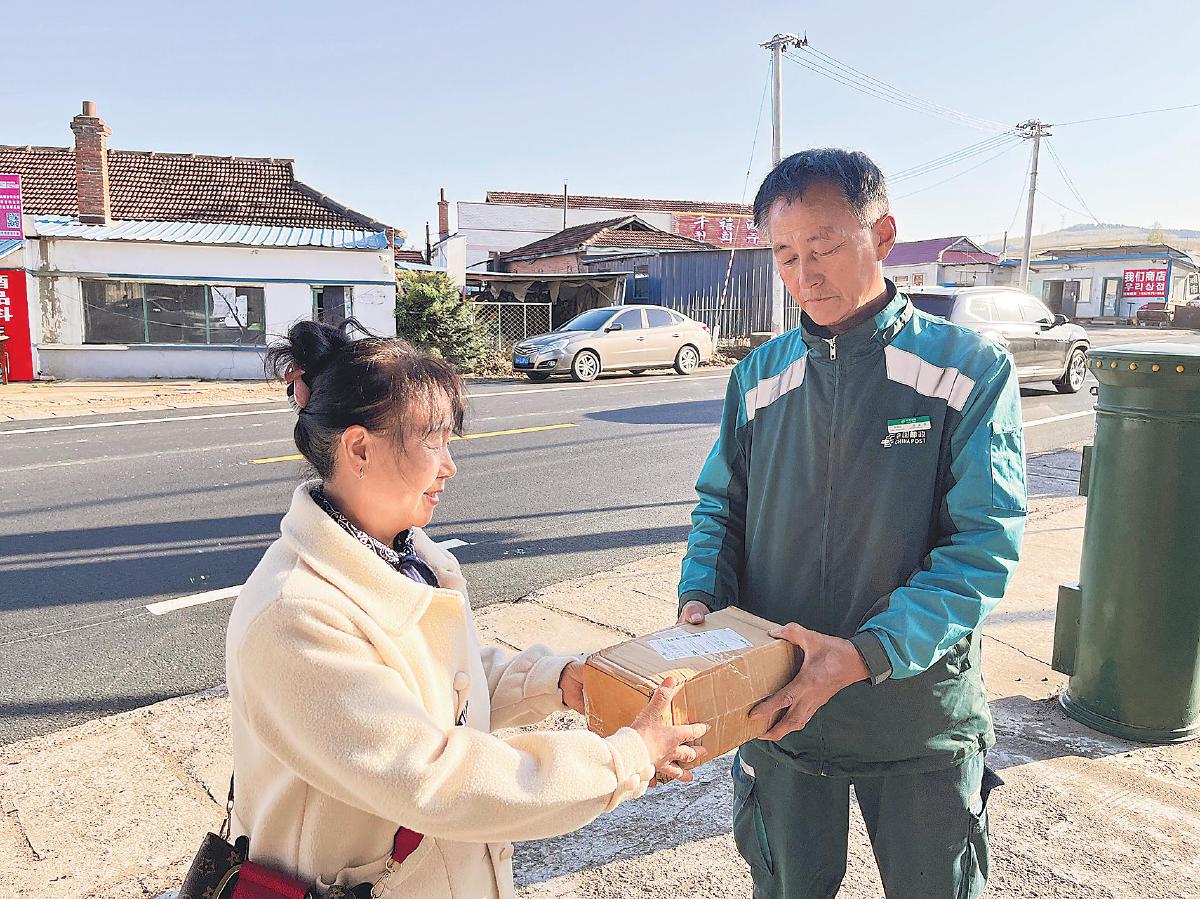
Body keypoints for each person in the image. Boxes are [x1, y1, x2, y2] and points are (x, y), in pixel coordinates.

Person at [226, 319, 707, 899]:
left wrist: (555, 681)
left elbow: (442, 680)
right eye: (431, 441)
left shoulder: (401, 553)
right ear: (359, 448)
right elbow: (432, 778)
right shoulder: (296, 616)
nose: (449, 465)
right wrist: (626, 758)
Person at [678, 149, 1026, 898]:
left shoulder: (968, 368)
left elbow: (983, 543)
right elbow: (720, 507)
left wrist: (866, 653)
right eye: (785, 255)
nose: (806, 274)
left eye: (825, 246)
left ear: (884, 235)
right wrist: (701, 597)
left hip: (916, 717)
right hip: (780, 708)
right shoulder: (758, 376)